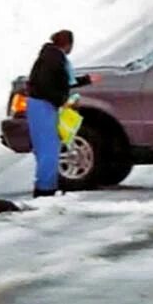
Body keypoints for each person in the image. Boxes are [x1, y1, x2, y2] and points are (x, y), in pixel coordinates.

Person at [25, 29, 98, 198]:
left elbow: (61, 82)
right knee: (49, 148)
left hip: (40, 105)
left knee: (47, 147)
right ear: (68, 44)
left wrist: (86, 80)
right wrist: (61, 100)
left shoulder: (50, 56)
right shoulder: (55, 59)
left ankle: (45, 186)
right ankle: (45, 190)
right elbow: (48, 85)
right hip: (43, 105)